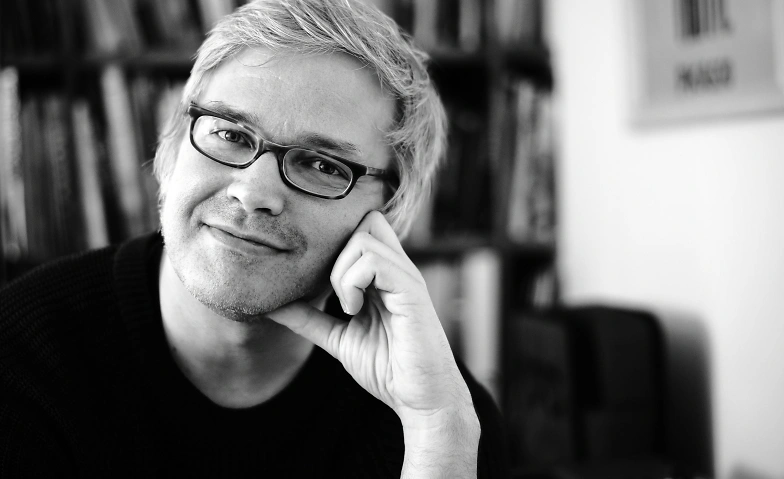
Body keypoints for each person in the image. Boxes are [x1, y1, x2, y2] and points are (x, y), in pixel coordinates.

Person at [0, 0, 509, 477]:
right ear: (172, 148)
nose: (253, 192)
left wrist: (438, 434)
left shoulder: (439, 415)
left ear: (388, 212)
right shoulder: (21, 361)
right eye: (230, 134)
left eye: (322, 165)